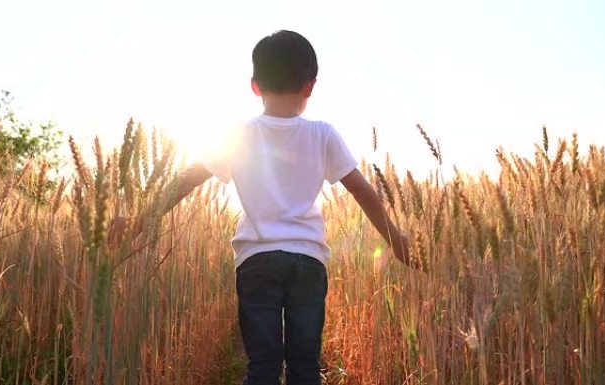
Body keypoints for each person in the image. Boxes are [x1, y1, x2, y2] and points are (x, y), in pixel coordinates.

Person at [110, 30, 411, 385]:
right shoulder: (323, 134)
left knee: (263, 365)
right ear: (310, 86)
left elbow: (188, 178)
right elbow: (362, 189)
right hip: (307, 260)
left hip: (256, 261)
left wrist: (140, 220)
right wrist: (394, 238)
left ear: (255, 86)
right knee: (304, 365)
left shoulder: (238, 133)